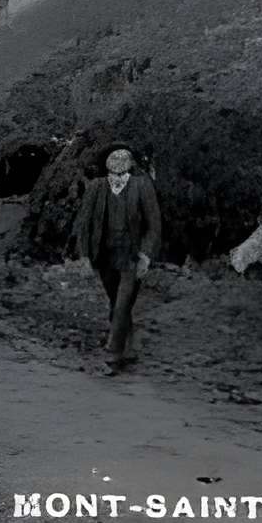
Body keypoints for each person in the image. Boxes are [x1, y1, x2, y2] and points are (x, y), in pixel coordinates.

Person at [72, 143, 163, 372]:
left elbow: (154, 226)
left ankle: (112, 353)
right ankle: (129, 346)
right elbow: (83, 224)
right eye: (113, 172)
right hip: (104, 254)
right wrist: (83, 257)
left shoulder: (142, 186)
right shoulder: (96, 187)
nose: (117, 177)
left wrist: (145, 256)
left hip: (131, 255)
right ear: (107, 169)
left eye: (122, 172)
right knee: (115, 302)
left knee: (123, 303)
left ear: (130, 168)